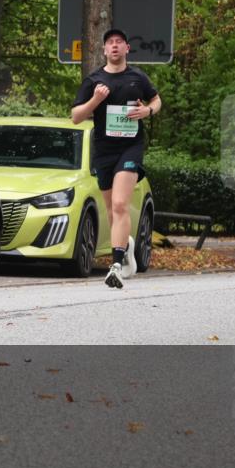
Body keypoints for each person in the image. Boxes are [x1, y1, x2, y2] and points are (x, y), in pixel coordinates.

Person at [71, 28, 162, 289]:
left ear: (126, 49)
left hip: (130, 148)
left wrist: (147, 111)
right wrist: (95, 100)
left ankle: (116, 265)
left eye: (119, 42)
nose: (114, 46)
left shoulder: (137, 77)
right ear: (103, 50)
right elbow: (76, 116)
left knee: (121, 204)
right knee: (112, 210)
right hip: (104, 150)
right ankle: (127, 245)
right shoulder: (94, 80)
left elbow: (156, 100)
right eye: (109, 43)